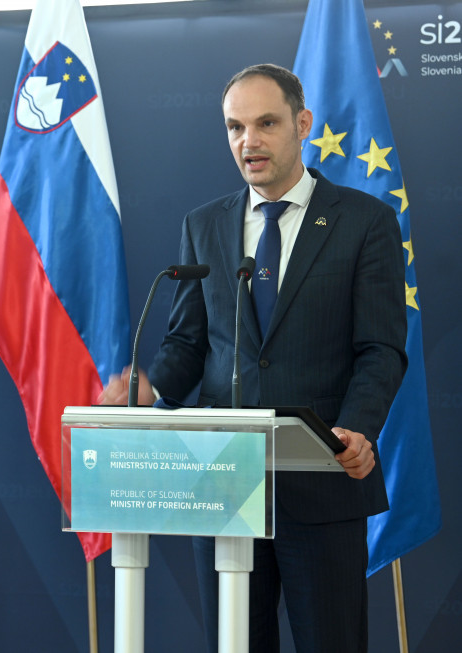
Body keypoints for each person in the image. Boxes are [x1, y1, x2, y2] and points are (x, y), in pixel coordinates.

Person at [100, 64, 406, 652]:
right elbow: (188, 346)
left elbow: (380, 350)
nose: (249, 141)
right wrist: (149, 386)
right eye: (235, 127)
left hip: (321, 476)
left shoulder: (364, 221)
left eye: (265, 123)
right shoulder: (203, 225)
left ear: (302, 123)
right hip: (222, 482)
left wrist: (357, 429)